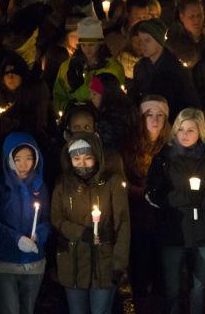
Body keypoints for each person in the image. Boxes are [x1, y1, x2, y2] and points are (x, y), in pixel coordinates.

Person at [145, 107, 205, 314]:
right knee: (172, 288)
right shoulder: (164, 159)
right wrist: (187, 198)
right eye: (181, 129)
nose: (185, 135)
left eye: (191, 130)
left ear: (200, 132)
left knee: (199, 285)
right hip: (173, 232)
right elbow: (153, 194)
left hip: (202, 232)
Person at [51, 132, 130, 314]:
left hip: (103, 263)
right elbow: (56, 218)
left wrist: (119, 264)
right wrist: (80, 232)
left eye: (88, 158)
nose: (82, 164)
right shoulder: (63, 184)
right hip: (73, 263)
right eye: (76, 158)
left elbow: (123, 224)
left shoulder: (112, 183)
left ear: (97, 157)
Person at [0, 132, 50, 314]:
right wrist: (17, 239)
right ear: (8, 159)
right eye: (17, 159)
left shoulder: (40, 186)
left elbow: (45, 220)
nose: (23, 165)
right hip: (3, 263)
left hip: (33, 265)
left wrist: (39, 235)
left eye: (29, 158)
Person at [122, 95, 170, 310]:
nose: (155, 120)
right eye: (149, 114)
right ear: (141, 118)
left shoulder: (170, 147)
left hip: (162, 221)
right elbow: (123, 183)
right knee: (139, 271)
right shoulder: (129, 148)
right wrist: (138, 191)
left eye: (160, 115)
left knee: (162, 274)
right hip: (137, 220)